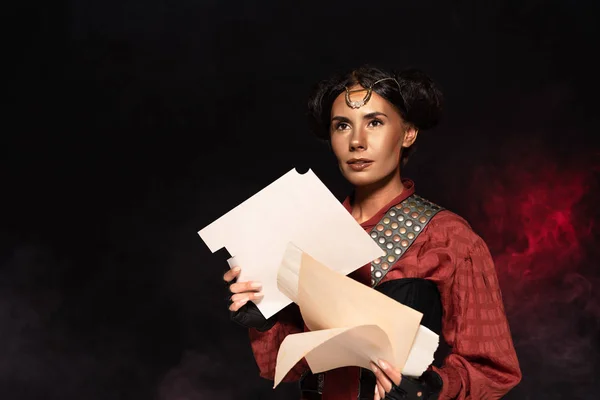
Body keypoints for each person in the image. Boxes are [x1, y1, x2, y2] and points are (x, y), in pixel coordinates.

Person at [223, 65, 522, 399]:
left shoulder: (449, 238)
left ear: (408, 133)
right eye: (342, 126)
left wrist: (433, 388)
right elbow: (282, 368)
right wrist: (265, 317)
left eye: (375, 123)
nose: (357, 142)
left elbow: (495, 370)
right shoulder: (304, 232)